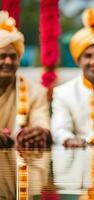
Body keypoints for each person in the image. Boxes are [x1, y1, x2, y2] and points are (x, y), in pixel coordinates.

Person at [51, 8, 94, 147]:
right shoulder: (63, 92)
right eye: (88, 56)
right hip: (77, 155)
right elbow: (59, 128)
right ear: (78, 60)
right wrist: (69, 140)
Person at [0, 11, 51, 148]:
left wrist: (40, 133)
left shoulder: (35, 92)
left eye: (13, 56)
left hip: (20, 163)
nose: (8, 62)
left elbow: (41, 121)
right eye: (2, 56)